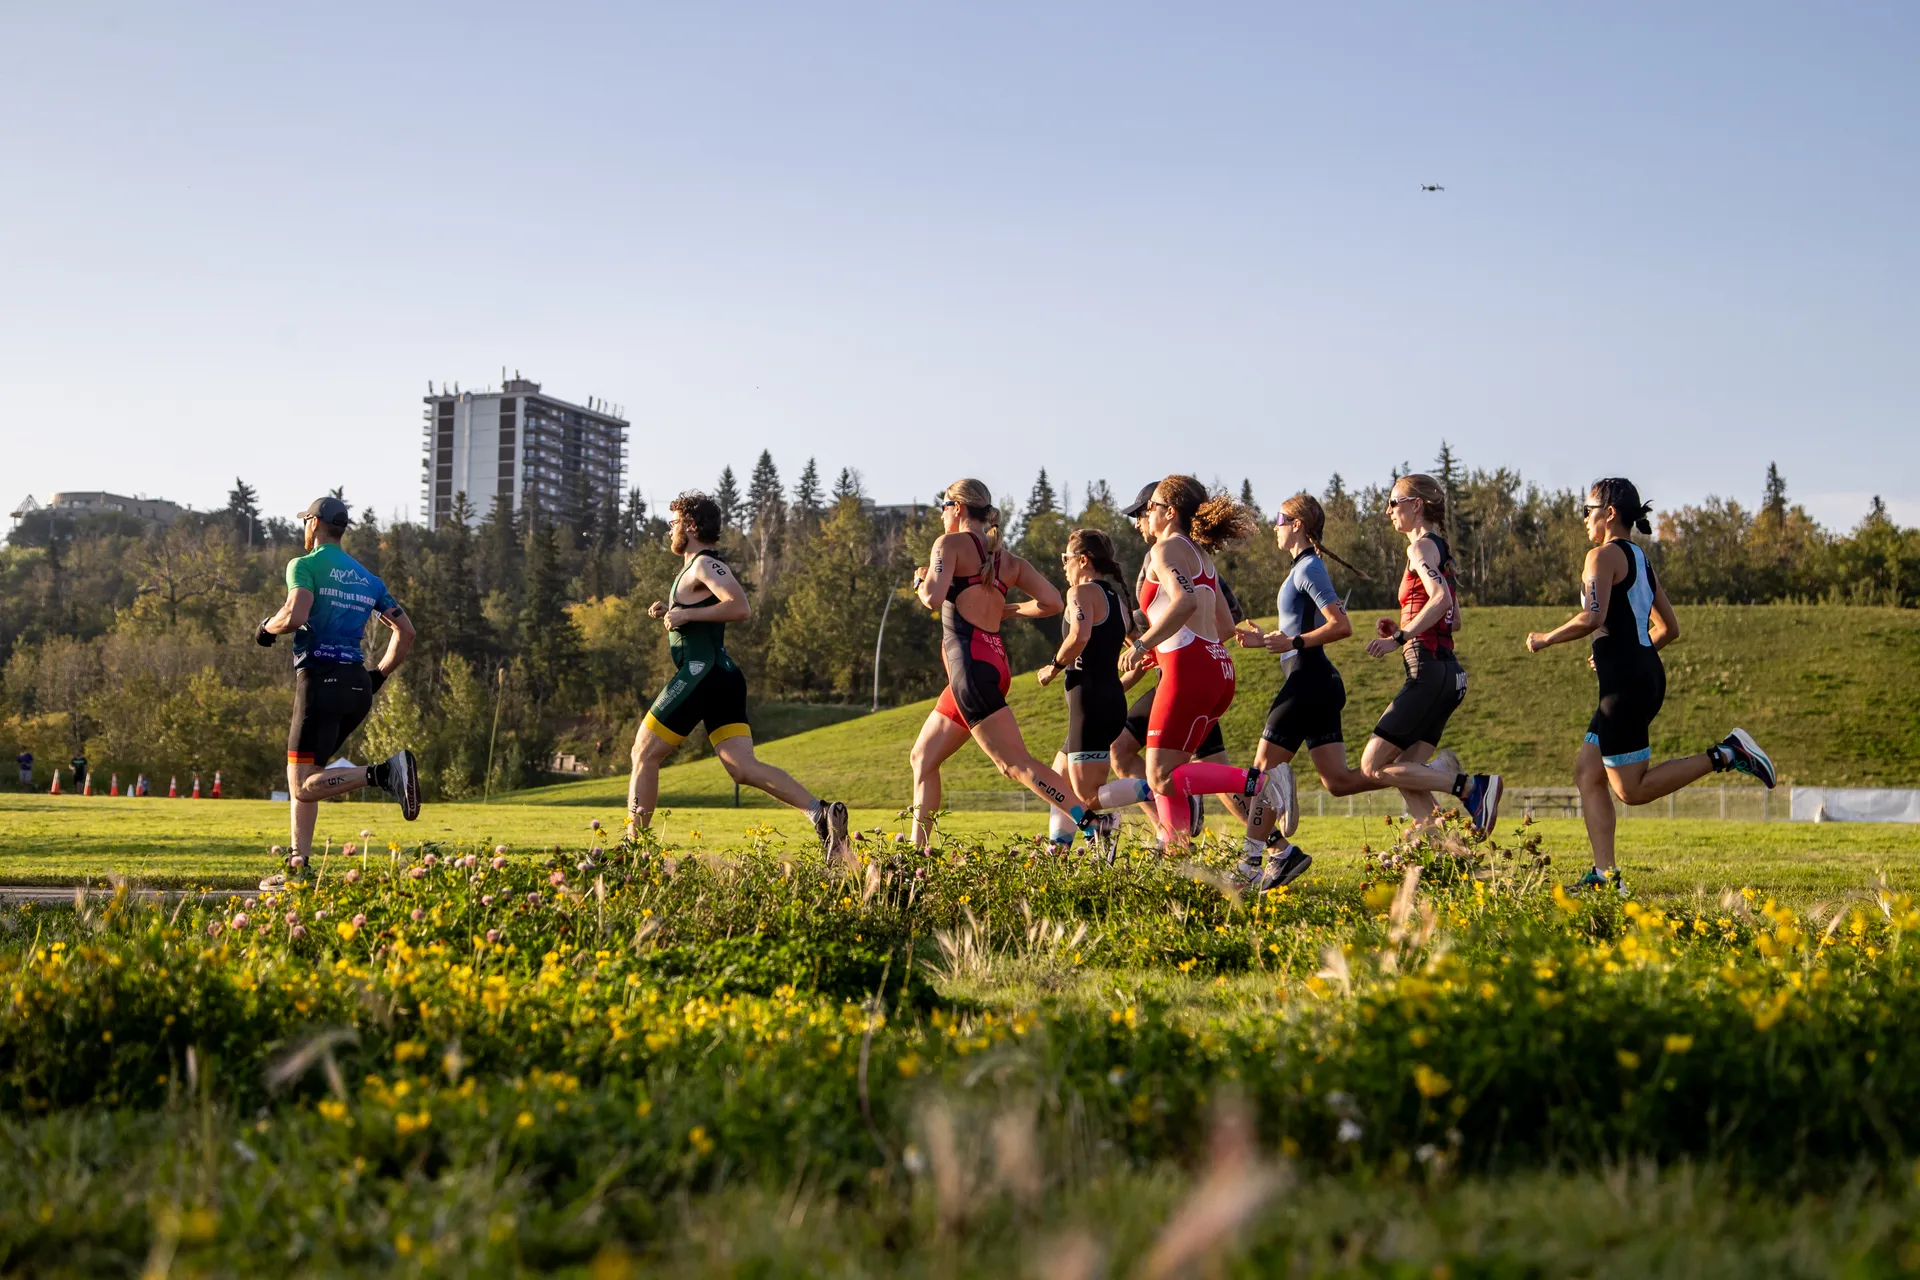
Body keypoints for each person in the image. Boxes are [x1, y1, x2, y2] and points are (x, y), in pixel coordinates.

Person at [1526, 478, 1776, 894]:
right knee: (1588, 772)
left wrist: (1545, 638)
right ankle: (1605, 877)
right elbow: (1669, 628)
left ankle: (1728, 752)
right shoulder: (1640, 559)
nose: (1584, 519)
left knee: (1631, 790)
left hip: (1625, 682)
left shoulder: (1600, 556)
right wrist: (1629, 652)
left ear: (1608, 513)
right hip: (1640, 674)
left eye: (1586, 510)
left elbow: (1592, 616)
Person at [626, 491, 849, 856]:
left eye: (675, 522)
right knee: (742, 768)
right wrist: (670, 611)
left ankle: (633, 851)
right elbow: (702, 611)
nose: (670, 529)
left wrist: (685, 615)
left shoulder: (704, 564)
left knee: (644, 753)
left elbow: (740, 606)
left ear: (692, 526)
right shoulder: (691, 569)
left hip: (702, 674)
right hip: (721, 677)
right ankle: (820, 813)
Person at [908, 479, 1097, 850]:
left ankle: (1093, 824)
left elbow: (931, 597)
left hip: (970, 670)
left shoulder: (948, 545)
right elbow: (1052, 602)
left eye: (943, 506)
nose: (942, 515)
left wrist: (918, 580)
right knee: (923, 757)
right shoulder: (1007, 560)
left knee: (1015, 764)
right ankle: (919, 855)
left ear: (958, 508)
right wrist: (1005, 610)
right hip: (990, 662)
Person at [1111, 476, 1283, 850]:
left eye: (1151, 507)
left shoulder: (1165, 550)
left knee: (1160, 777)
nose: (1145, 515)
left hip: (1187, 672)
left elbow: (1184, 601)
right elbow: (1222, 626)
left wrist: (1143, 644)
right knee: (1171, 769)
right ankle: (1180, 853)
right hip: (1217, 670)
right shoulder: (1201, 556)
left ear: (1169, 512)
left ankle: (1260, 783)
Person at [256, 495, 419, 891]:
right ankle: (298, 868)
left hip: (319, 682)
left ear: (313, 524)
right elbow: (407, 632)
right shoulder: (368, 579)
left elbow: (296, 615)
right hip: (357, 685)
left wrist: (266, 628)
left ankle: (384, 773)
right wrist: (377, 676)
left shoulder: (305, 565)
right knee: (308, 776)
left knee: (299, 784)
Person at [1233, 493, 1389, 889]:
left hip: (1309, 680)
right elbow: (1296, 633)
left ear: (1298, 524)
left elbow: (1341, 626)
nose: (1276, 526)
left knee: (1261, 774)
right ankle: (1421, 775)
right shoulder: (1301, 569)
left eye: (1280, 518)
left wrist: (1294, 643)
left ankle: (1253, 867)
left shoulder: (1308, 568)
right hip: (1317, 682)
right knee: (1338, 782)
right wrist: (1268, 641)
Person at [1359, 474, 1504, 836]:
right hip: (1447, 675)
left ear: (1416, 505)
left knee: (1372, 767)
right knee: (1411, 775)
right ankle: (1445, 854)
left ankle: (1471, 787)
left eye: (1394, 502)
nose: (1389, 510)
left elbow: (1439, 601)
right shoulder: (1442, 551)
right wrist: (1403, 625)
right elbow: (1453, 620)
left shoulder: (1420, 548)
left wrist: (1401, 637)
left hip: (1426, 673)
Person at [1036, 529, 1132, 855]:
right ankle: (1058, 853)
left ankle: (1162, 791)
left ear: (1083, 560)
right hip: (1109, 701)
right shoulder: (1118, 600)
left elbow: (1079, 635)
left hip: (1088, 703)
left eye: (1066, 558)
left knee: (1087, 795)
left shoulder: (1080, 593)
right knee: (1058, 782)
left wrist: (1053, 665)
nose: (1063, 566)